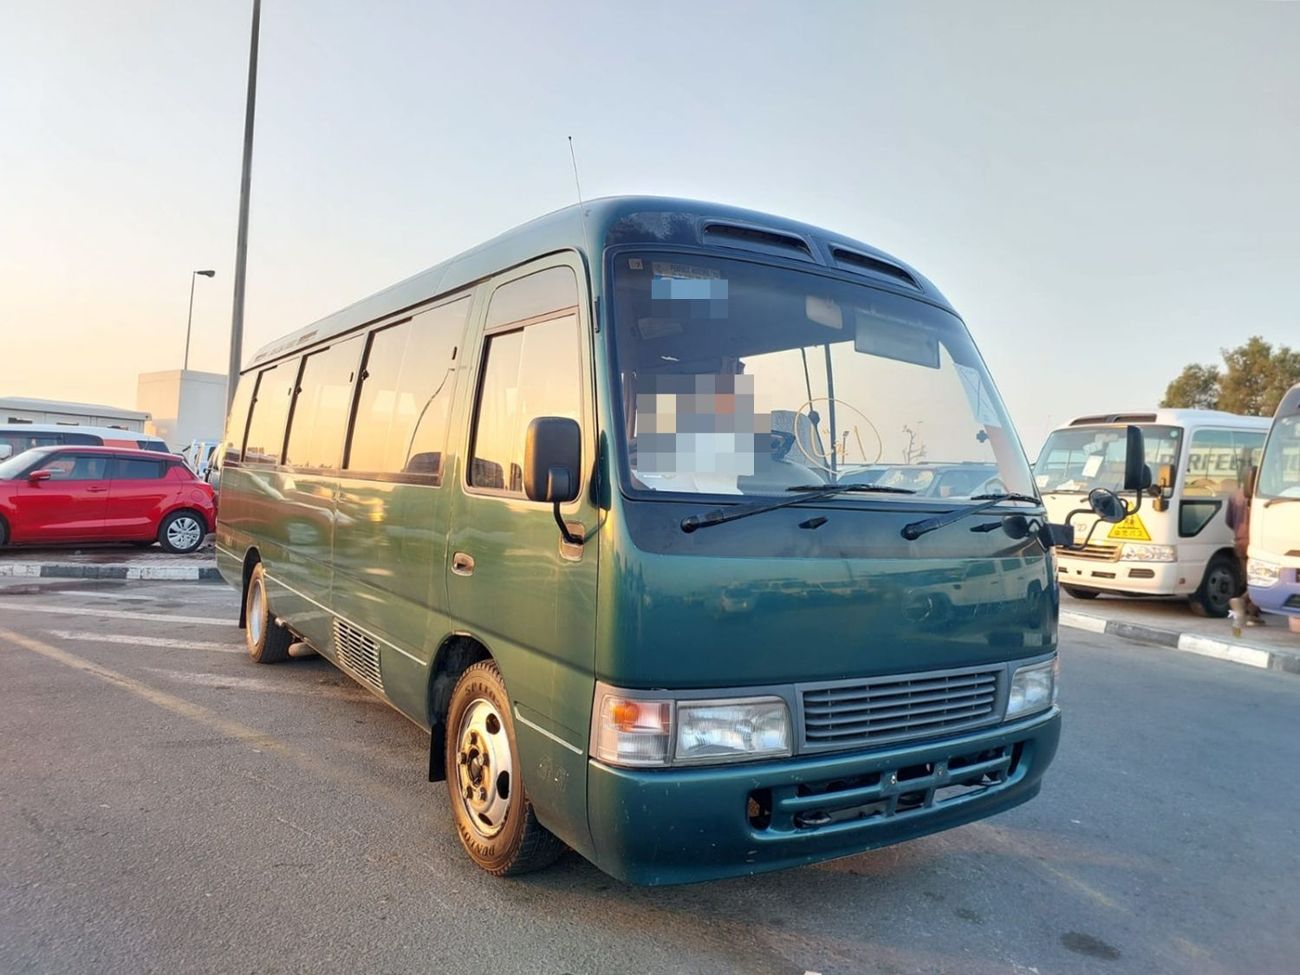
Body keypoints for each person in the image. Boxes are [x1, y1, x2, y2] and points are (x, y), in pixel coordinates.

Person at [1225, 463, 1264, 626]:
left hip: (1239, 542)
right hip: (1256, 542)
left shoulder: (1234, 495)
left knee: (1250, 578)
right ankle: (1241, 602)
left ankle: (1252, 614)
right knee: (1261, 579)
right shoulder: (1258, 497)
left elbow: (1228, 521)